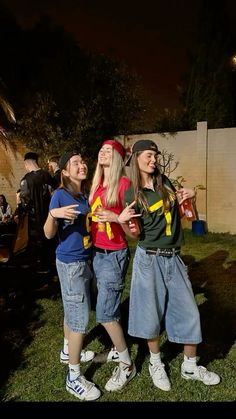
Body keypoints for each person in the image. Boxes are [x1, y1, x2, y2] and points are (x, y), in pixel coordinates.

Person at [118, 139, 220, 391]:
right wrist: (122, 222)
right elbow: (134, 234)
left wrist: (192, 198)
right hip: (149, 258)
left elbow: (186, 216)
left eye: (156, 156)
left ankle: (189, 366)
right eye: (149, 155)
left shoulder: (165, 182)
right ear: (136, 157)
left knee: (189, 311)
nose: (154, 160)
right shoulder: (132, 192)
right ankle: (156, 363)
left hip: (173, 257)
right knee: (150, 313)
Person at [44, 151, 101, 401]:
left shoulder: (83, 194)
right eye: (75, 162)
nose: (82, 164)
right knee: (79, 318)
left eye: (82, 160)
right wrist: (52, 215)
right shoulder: (60, 195)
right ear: (65, 172)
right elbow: (48, 234)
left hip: (85, 260)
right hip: (70, 264)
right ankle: (73, 377)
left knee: (72, 310)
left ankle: (68, 351)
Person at [89, 139, 136, 392]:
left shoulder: (125, 185)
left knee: (106, 313)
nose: (102, 152)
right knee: (108, 307)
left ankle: (127, 364)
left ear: (117, 158)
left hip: (114, 254)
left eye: (109, 150)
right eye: (101, 149)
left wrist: (116, 218)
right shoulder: (97, 186)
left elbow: (134, 233)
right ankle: (117, 350)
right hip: (97, 254)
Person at [20, 152, 54, 273]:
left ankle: (41, 272)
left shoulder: (25, 180)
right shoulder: (48, 176)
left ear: (27, 163)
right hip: (51, 219)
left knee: (37, 249)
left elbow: (25, 204)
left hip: (34, 223)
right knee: (50, 246)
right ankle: (51, 270)